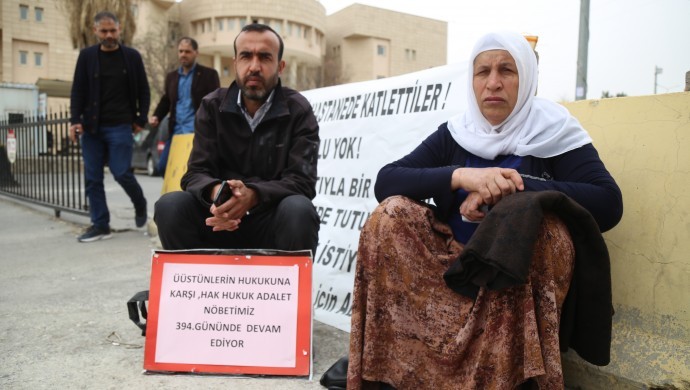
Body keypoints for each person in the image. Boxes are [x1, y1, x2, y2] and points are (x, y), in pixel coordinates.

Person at [346, 31, 623, 389]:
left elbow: (608, 203)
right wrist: (465, 177)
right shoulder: (458, 133)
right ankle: (392, 376)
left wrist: (513, 188)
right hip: (449, 271)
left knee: (538, 223)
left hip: (512, 279)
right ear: (472, 80)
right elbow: (387, 181)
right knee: (390, 215)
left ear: (527, 79)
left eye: (507, 70)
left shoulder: (554, 132)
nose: (493, 82)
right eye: (483, 71)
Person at [153, 23, 320, 255]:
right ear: (235, 63)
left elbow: (302, 181)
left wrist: (253, 196)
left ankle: (284, 289)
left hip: (270, 221)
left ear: (280, 66)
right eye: (246, 56)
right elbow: (195, 174)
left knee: (299, 210)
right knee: (170, 206)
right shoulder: (212, 106)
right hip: (217, 220)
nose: (254, 66)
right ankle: (194, 288)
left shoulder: (298, 110)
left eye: (264, 57)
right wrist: (218, 193)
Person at [69, 11, 150, 243]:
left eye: (113, 31)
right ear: (95, 31)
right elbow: (78, 90)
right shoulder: (86, 57)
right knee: (93, 178)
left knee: (121, 172)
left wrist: (140, 119)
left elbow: (144, 91)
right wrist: (75, 120)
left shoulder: (131, 57)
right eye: (104, 31)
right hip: (92, 127)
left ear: (119, 29)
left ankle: (139, 202)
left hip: (121, 126)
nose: (109, 35)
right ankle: (100, 225)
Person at [149, 37, 220, 176]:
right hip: (176, 132)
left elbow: (216, 101)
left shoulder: (208, 75)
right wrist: (156, 116)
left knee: (192, 170)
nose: (183, 55)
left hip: (197, 133)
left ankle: (189, 196)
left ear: (196, 53)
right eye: (181, 51)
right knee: (163, 167)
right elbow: (166, 100)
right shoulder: (172, 77)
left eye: (187, 51)